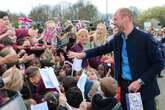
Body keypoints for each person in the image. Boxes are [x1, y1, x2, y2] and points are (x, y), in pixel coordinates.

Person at [68, 8, 164, 110]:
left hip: (144, 90)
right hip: (125, 89)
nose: (113, 23)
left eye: (115, 19)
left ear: (126, 18)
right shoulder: (118, 38)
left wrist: (140, 81)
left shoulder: (145, 38)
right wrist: (83, 54)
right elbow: (102, 49)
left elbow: (159, 64)